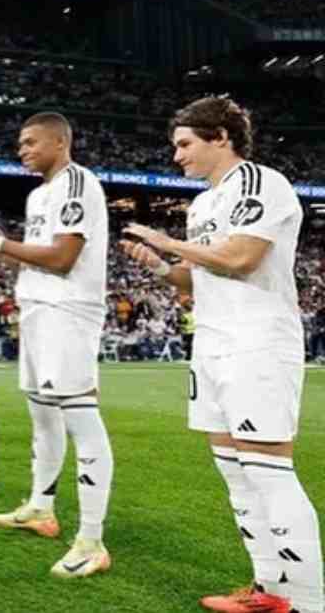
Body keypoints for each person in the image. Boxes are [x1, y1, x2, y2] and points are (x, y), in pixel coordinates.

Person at [122, 96, 321, 613]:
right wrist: (160, 265)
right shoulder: (202, 204)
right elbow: (201, 276)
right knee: (236, 473)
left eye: (185, 144)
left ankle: (309, 601)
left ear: (221, 138)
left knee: (268, 471)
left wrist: (164, 238)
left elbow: (240, 257)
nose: (177, 156)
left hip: (256, 341)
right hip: (211, 342)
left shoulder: (261, 183)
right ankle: (268, 590)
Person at [0, 111, 114, 579]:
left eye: (30, 142)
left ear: (59, 142)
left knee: (80, 420)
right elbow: (40, 255)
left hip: (69, 311)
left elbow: (65, 257)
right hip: (40, 310)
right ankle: (41, 508)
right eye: (20, 143)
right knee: (42, 414)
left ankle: (92, 539)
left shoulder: (77, 183)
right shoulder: (39, 193)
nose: (22, 150)